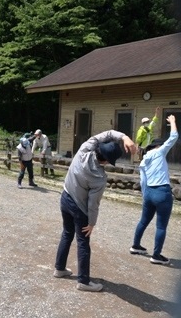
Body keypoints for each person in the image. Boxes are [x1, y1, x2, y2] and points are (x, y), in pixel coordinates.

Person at [53, 130, 136, 292]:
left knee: (67, 233)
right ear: (106, 161)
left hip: (65, 197)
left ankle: (59, 268)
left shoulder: (84, 149)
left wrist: (124, 137)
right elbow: (93, 204)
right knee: (83, 242)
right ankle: (83, 281)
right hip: (79, 207)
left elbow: (107, 133)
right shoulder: (99, 177)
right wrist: (92, 223)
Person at [130, 114, 178, 265]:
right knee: (161, 225)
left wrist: (145, 195)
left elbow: (143, 180)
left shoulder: (144, 160)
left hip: (149, 192)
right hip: (162, 192)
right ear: (157, 146)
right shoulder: (159, 152)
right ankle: (156, 255)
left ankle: (135, 246)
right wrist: (173, 122)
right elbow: (174, 136)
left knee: (143, 221)